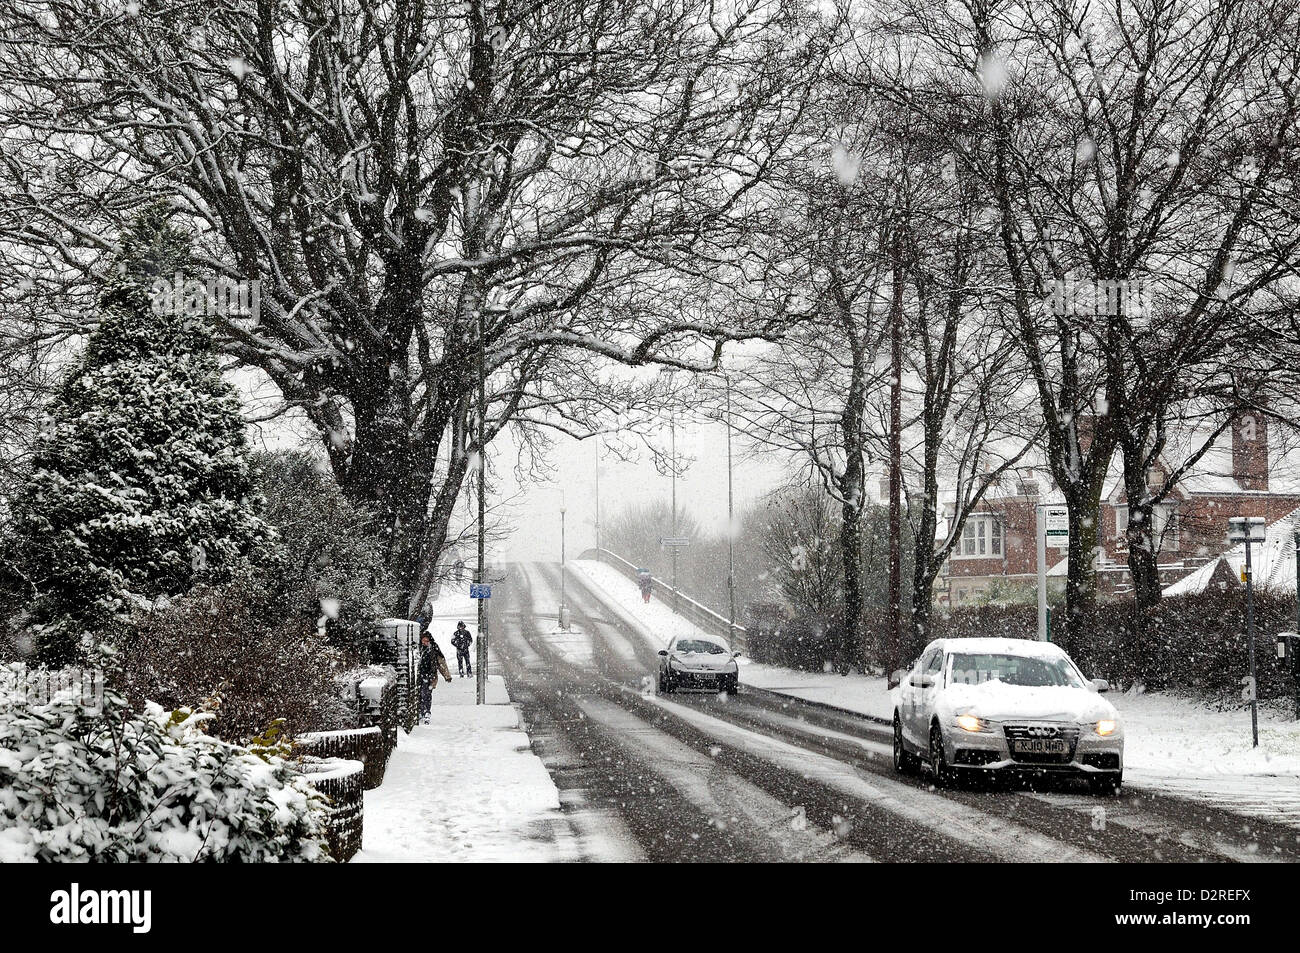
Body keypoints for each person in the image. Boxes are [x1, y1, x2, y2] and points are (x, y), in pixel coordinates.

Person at [417, 633, 436, 724]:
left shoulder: (431, 651)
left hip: (428, 676)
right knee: (420, 694)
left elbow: (440, 662)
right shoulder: (418, 650)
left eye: (427, 641)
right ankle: (421, 711)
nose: (425, 642)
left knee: (426, 694)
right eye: (424, 641)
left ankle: (426, 711)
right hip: (420, 675)